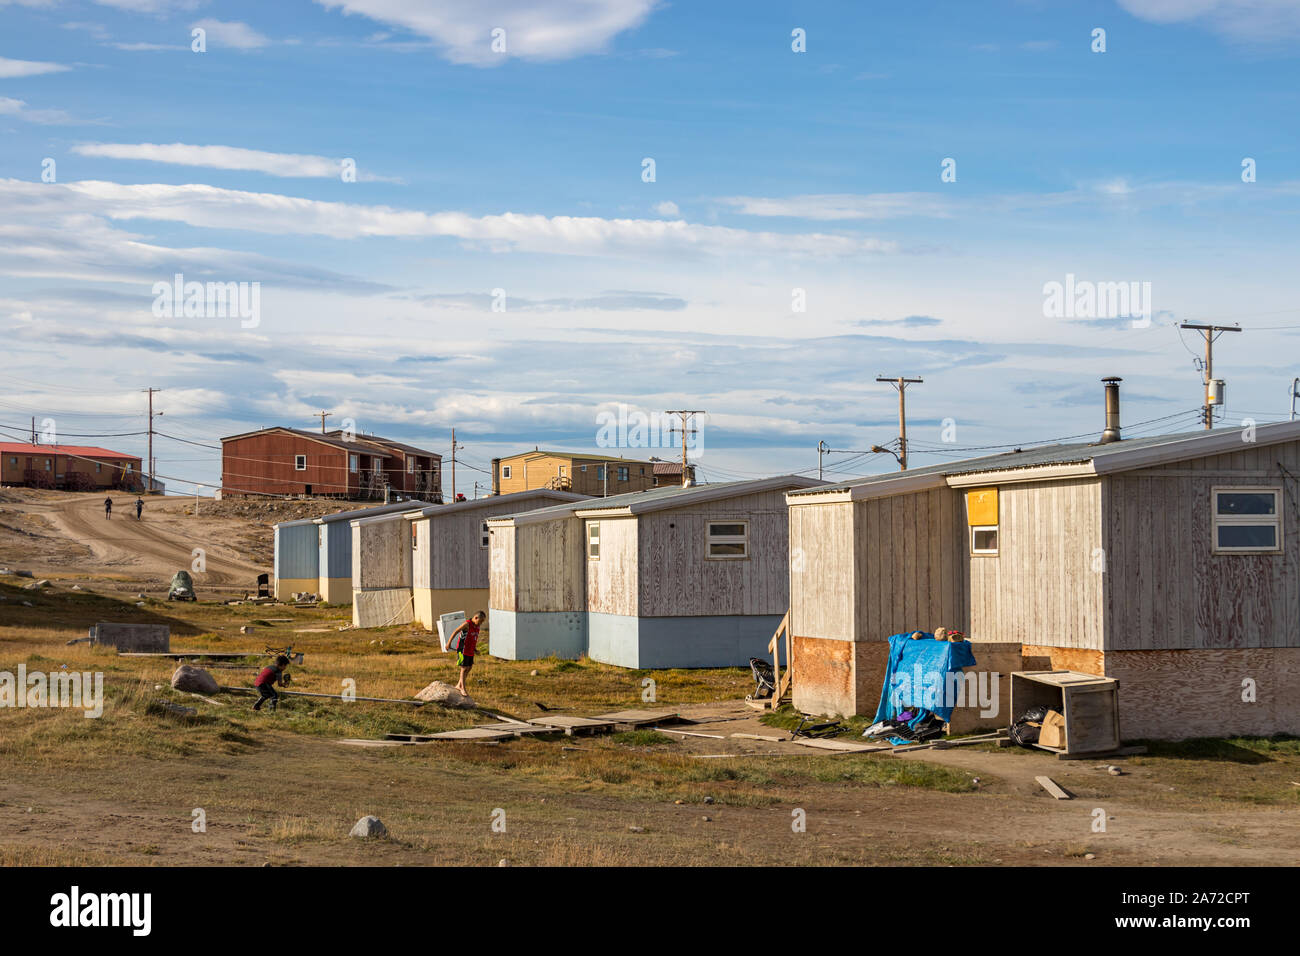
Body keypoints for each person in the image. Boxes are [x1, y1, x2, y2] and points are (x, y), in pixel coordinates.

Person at [449, 611, 485, 696]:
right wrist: (448, 643)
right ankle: (463, 688)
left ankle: (459, 684)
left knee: (469, 667)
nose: (481, 623)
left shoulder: (477, 627)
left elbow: (473, 638)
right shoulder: (467, 624)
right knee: (464, 668)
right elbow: (456, 631)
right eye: (481, 621)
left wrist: (475, 649)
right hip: (463, 649)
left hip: (470, 650)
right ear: (476, 618)